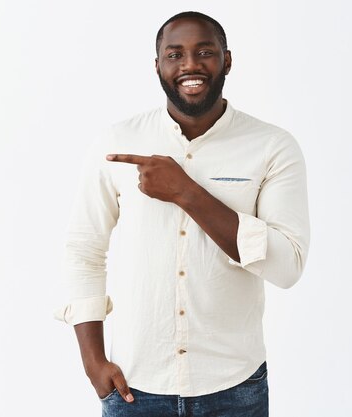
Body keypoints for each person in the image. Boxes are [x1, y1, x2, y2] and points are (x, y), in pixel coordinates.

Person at [55, 11, 310, 417]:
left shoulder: (273, 147)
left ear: (227, 61)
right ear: (158, 66)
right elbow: (84, 249)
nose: (190, 65)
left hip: (235, 388)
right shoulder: (117, 142)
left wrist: (187, 193)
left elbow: (287, 267)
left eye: (204, 52)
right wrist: (92, 361)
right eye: (175, 54)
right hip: (135, 388)